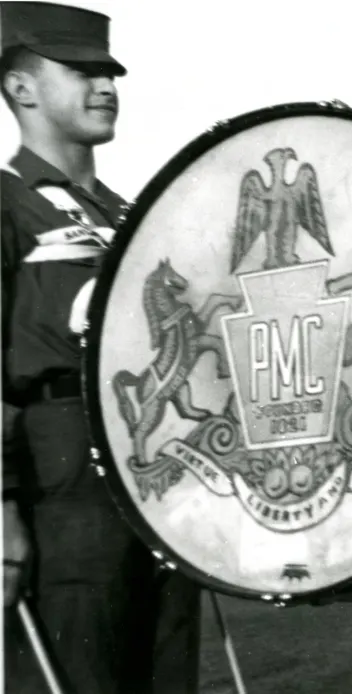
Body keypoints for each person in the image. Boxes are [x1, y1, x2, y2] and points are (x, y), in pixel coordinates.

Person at [1, 3, 201, 692]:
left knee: (167, 671)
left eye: (110, 73)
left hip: (159, 470)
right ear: (21, 88)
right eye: (81, 71)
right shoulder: (8, 203)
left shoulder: (131, 217)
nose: (106, 86)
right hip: (59, 477)